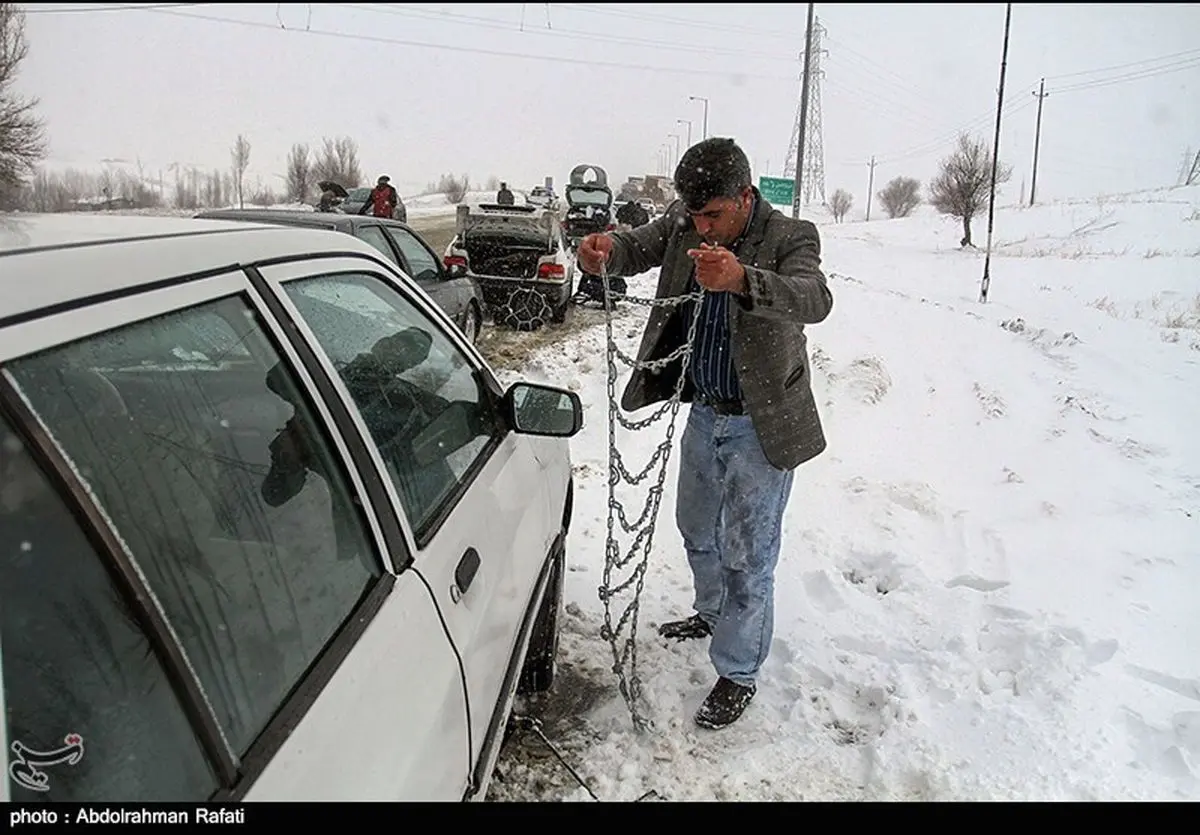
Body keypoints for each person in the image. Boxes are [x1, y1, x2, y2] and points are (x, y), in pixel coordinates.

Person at [576, 137, 834, 730]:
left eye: (712, 215)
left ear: (745, 197)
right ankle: (713, 612)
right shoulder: (684, 220)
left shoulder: (792, 236)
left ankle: (738, 670)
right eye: (693, 216)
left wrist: (743, 278)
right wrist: (603, 251)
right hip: (704, 410)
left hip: (761, 422)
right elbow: (636, 247)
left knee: (749, 554)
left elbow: (814, 298)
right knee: (696, 527)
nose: (700, 228)